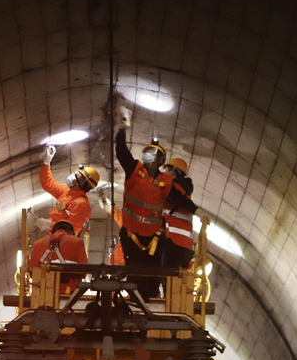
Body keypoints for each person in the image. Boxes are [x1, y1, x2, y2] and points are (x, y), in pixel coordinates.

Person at [115, 107, 197, 300]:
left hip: (153, 238)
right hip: (132, 235)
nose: (148, 154)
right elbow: (121, 152)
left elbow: (178, 199)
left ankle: (151, 301)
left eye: (153, 152)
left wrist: (193, 208)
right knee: (136, 273)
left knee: (153, 277)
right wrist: (122, 129)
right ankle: (139, 301)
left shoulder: (166, 181)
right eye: (147, 151)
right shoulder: (134, 169)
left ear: (160, 160)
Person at [37, 144, 99, 236]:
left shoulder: (81, 204)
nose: (73, 175)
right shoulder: (67, 192)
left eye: (77, 175)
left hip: (62, 246)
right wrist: (46, 163)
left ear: (81, 183)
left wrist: (50, 225)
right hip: (52, 239)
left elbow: (71, 233)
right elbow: (48, 184)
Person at [28, 221, 88, 295]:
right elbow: (83, 271)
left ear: (53, 231)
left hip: (42, 292)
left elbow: (32, 272)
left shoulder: (37, 244)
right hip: (68, 292)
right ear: (71, 232)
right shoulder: (77, 242)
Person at [161, 158, 196, 270]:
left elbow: (172, 197)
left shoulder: (175, 188)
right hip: (185, 248)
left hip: (172, 244)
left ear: (173, 171)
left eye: (166, 170)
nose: (164, 173)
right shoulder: (185, 193)